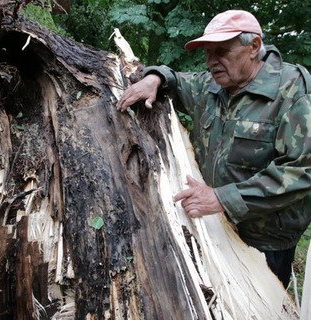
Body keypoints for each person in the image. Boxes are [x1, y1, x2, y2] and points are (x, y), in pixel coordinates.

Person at [117, 9, 311, 289]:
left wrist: (223, 198)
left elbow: (302, 170)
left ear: (253, 46)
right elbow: (178, 80)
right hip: (213, 226)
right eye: (207, 53)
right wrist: (155, 78)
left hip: (264, 242)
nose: (211, 62)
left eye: (221, 51)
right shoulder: (214, 85)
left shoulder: (292, 91)